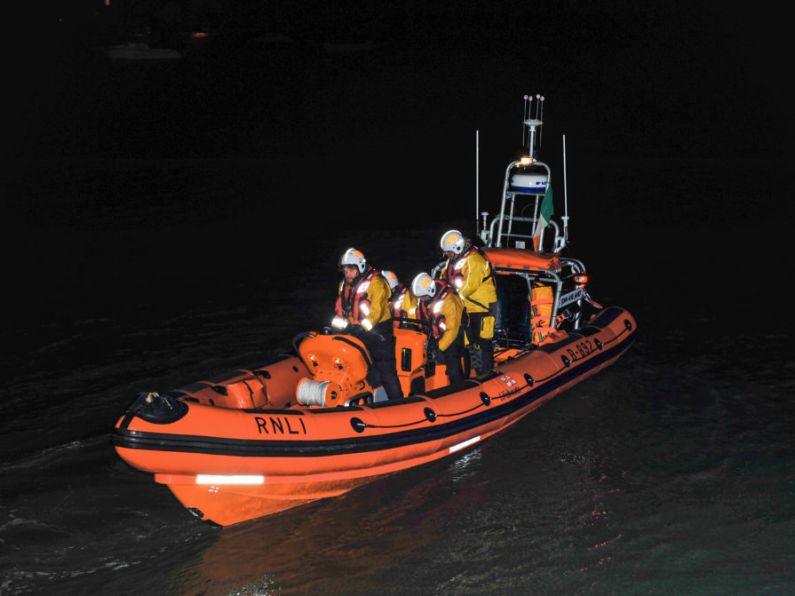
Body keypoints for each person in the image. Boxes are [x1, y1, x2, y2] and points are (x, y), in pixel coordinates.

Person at [330, 248, 404, 401]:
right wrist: (336, 330)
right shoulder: (344, 285)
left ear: (360, 267)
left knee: (387, 371)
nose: (347, 273)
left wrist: (361, 328)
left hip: (379, 334)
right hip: (356, 332)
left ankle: (399, 403)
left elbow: (377, 311)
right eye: (344, 270)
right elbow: (341, 309)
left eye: (350, 269)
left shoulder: (377, 283)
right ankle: (368, 400)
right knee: (359, 369)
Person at [439, 229, 497, 374]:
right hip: (464, 308)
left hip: (481, 307)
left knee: (482, 343)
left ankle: (486, 375)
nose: (447, 255)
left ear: (457, 248)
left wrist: (449, 299)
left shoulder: (475, 260)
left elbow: (469, 286)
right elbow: (443, 279)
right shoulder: (452, 261)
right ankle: (470, 374)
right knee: (466, 343)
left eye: (449, 252)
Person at [411, 272, 467, 384]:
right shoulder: (426, 300)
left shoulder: (449, 300)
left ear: (430, 291)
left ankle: (458, 386)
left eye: (422, 297)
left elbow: (453, 329)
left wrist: (439, 347)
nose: (421, 299)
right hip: (437, 335)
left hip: (454, 335)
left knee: (452, 367)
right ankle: (437, 385)